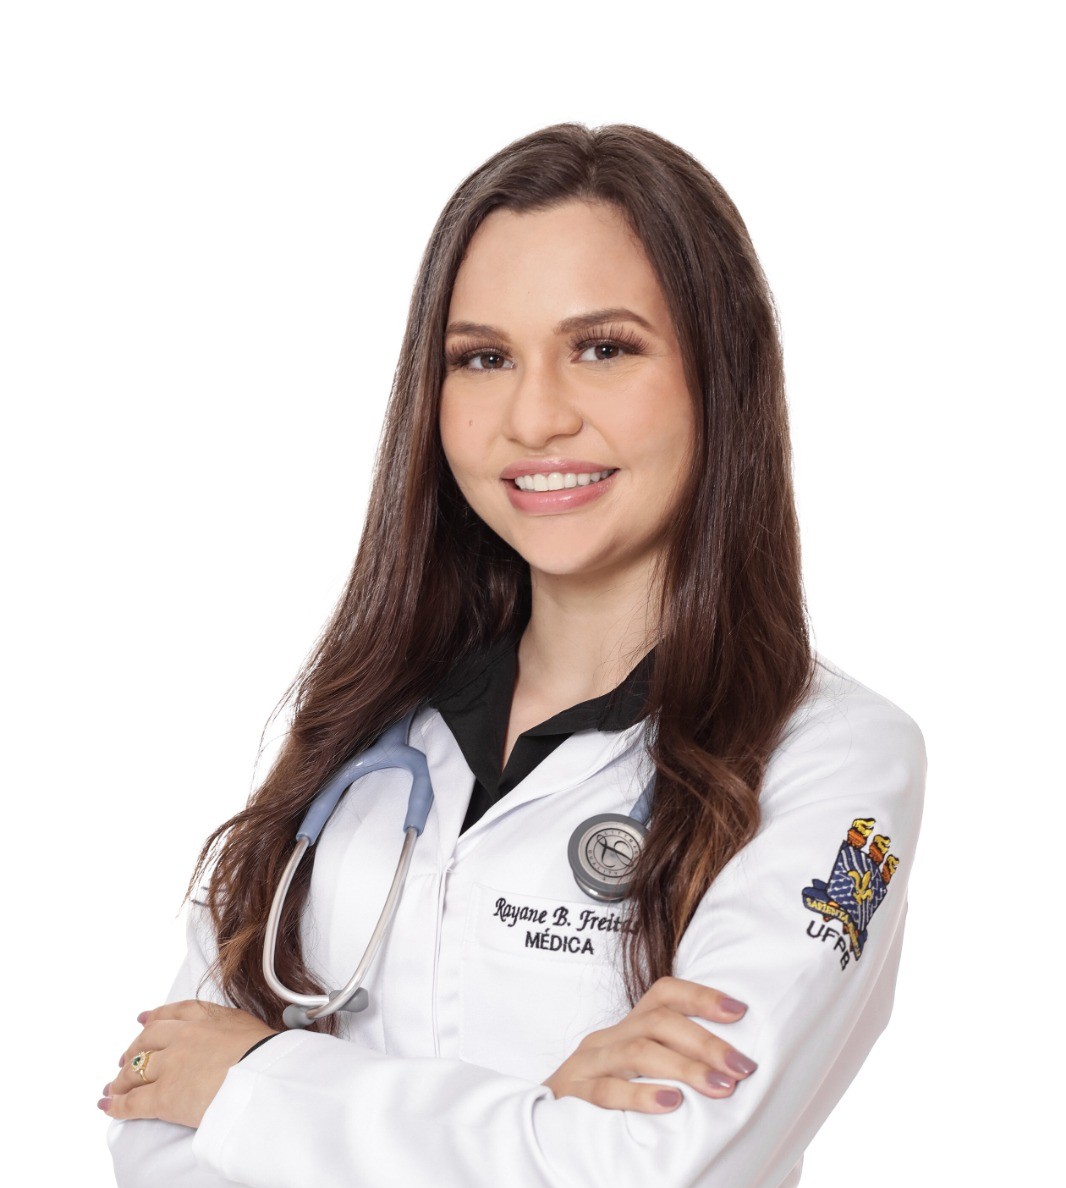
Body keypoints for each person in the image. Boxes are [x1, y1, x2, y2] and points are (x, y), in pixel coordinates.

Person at [103, 123, 925, 1188]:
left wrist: (254, 1081)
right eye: (483, 359)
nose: (534, 418)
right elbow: (156, 1116)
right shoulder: (361, 727)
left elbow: (658, 1169)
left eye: (603, 348)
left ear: (720, 373)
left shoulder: (836, 762)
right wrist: (543, 1112)